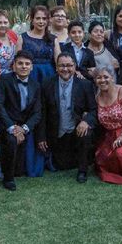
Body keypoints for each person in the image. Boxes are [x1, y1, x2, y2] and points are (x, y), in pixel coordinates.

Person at [36, 53, 98, 183]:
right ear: (56, 67)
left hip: (76, 129)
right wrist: (41, 136)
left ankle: (82, 171)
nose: (65, 69)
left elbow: (94, 109)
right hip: (56, 131)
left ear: (75, 66)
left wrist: (86, 122)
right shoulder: (47, 83)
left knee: (86, 134)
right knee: (62, 165)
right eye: (62, 66)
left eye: (69, 65)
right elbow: (42, 111)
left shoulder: (85, 84)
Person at [0, 51, 42, 190]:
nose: (24, 66)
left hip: (25, 125)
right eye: (20, 63)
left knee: (21, 170)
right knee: (10, 140)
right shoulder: (4, 79)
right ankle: (8, 178)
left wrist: (24, 128)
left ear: (32, 67)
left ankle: (18, 170)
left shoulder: (36, 85)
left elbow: (37, 112)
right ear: (13, 65)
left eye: (27, 64)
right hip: (7, 123)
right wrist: (12, 128)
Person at [17, 5, 61, 83]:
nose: (41, 21)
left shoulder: (53, 39)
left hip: (49, 76)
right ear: (32, 20)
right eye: (38, 18)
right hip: (28, 75)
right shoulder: (22, 38)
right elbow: (17, 61)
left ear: (48, 21)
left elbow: (59, 61)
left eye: (44, 19)